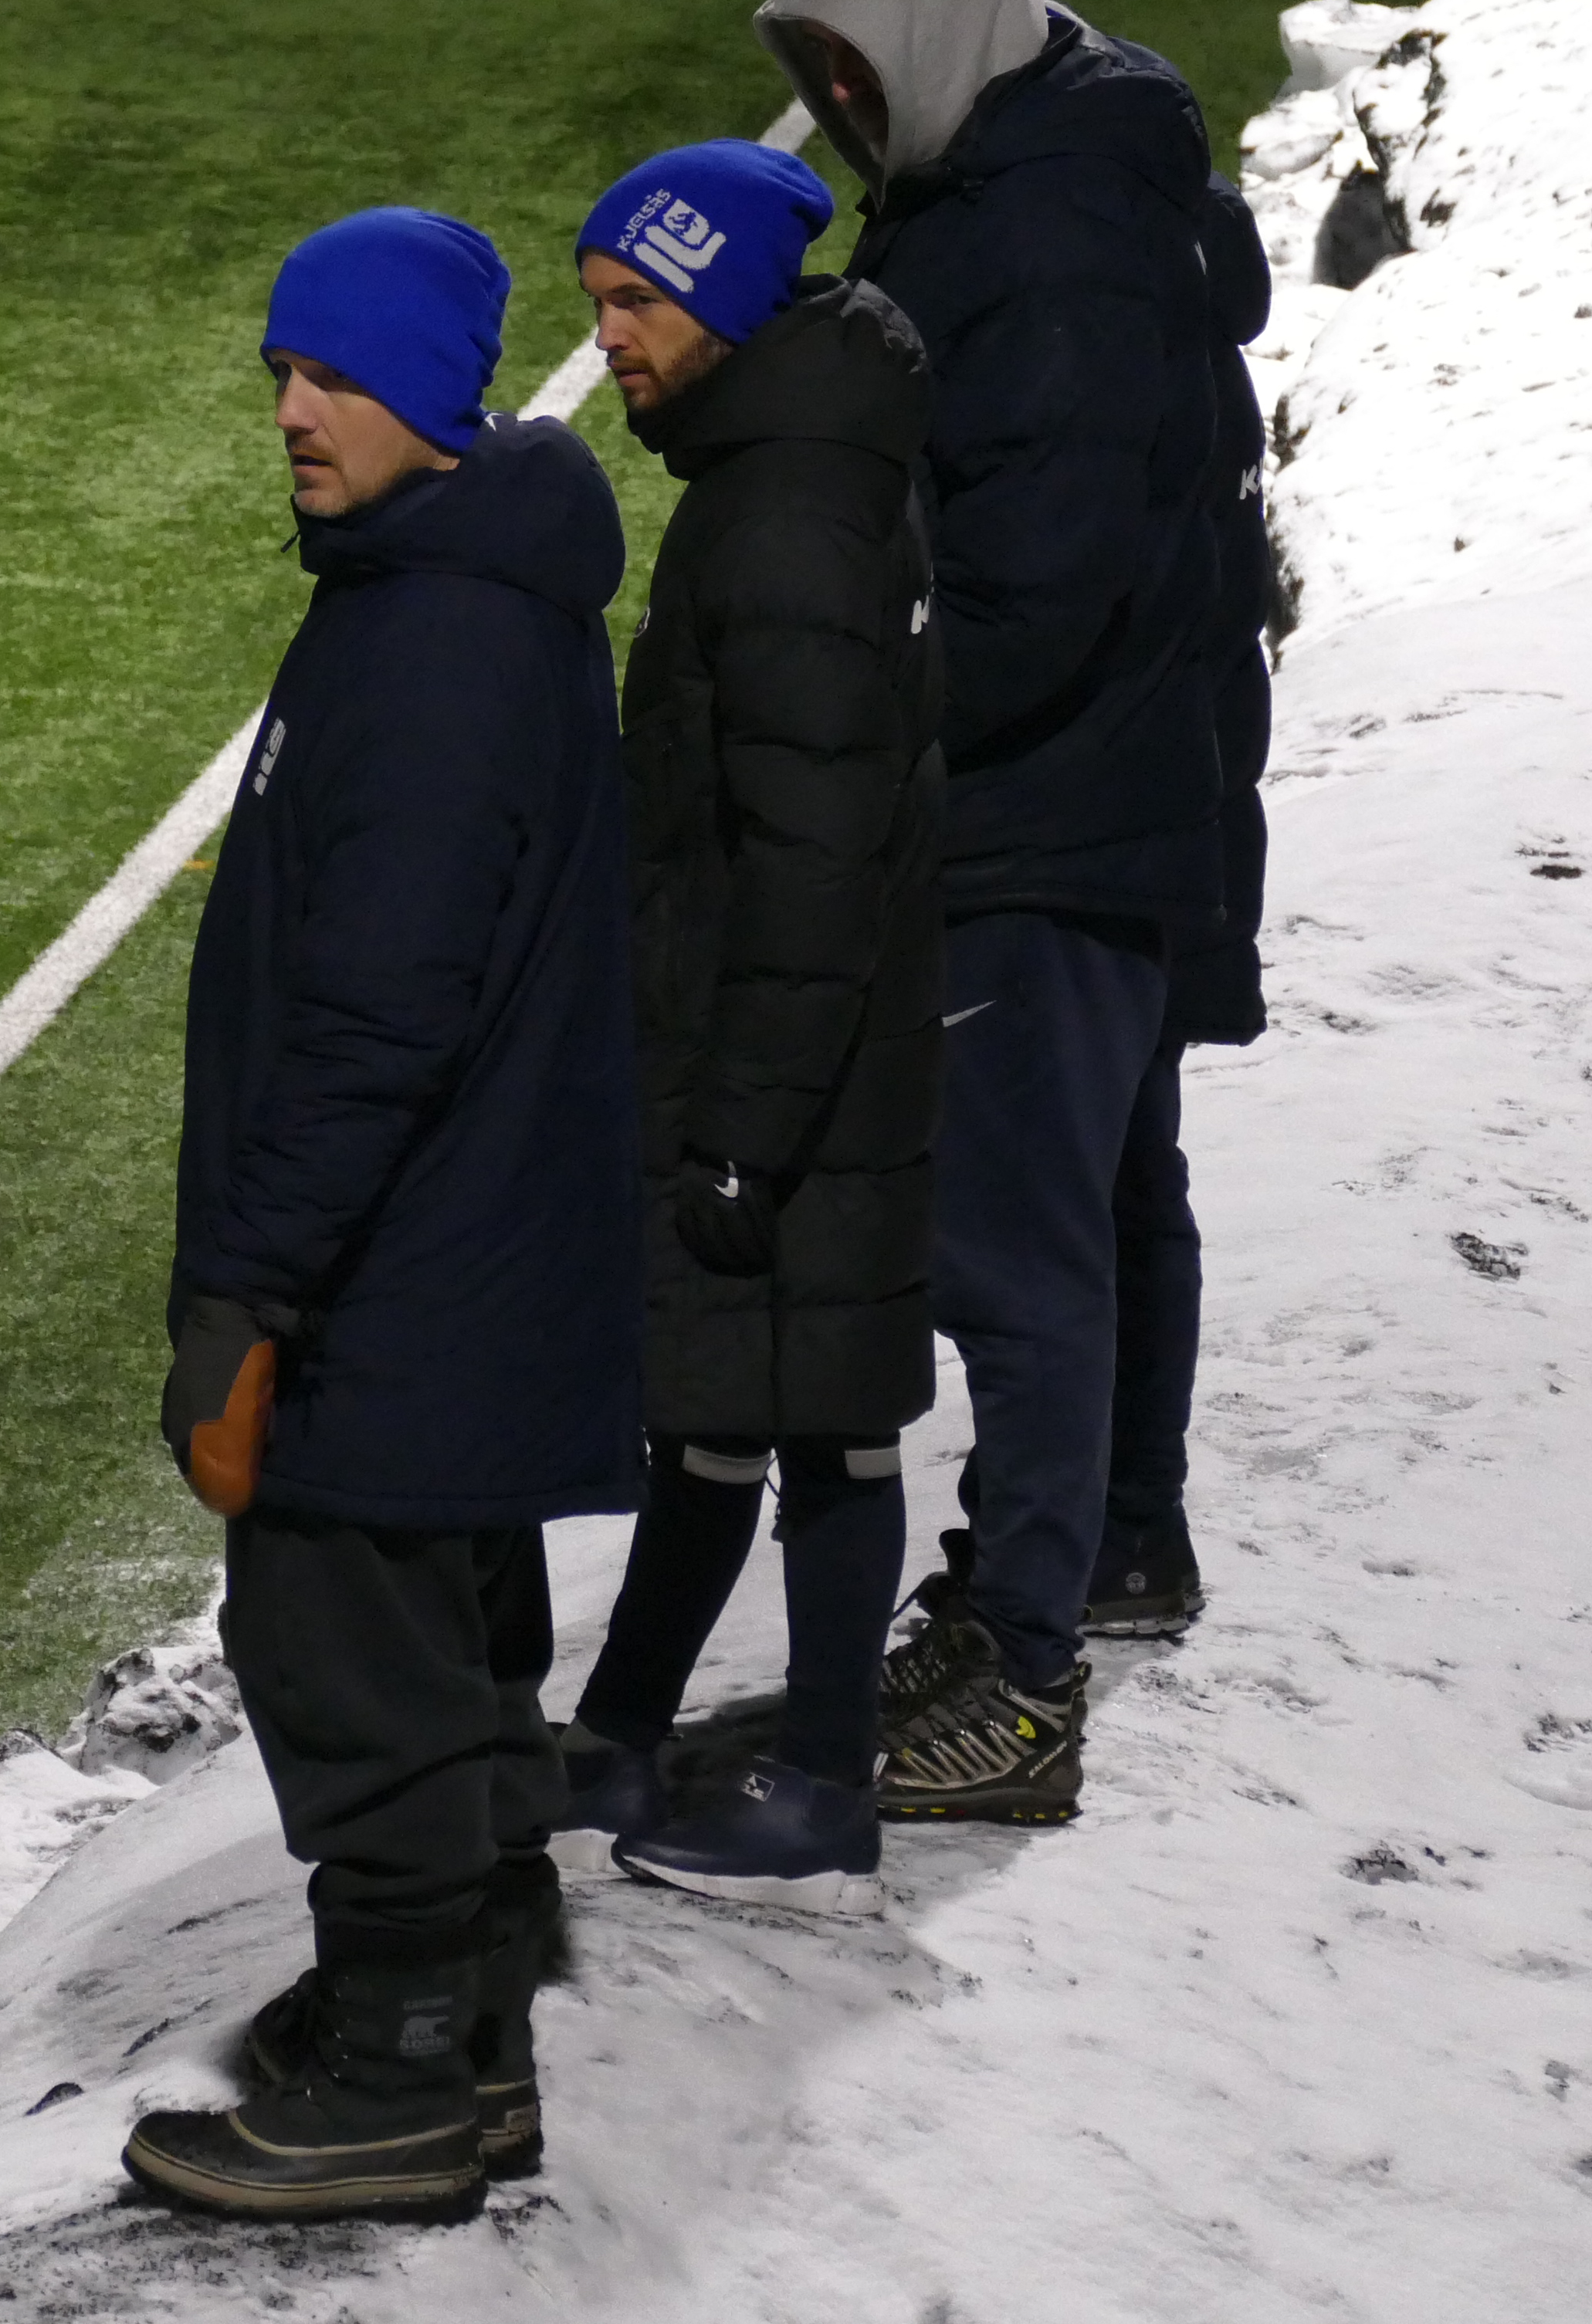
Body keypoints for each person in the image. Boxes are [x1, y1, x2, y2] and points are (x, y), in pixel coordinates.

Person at [124, 208, 639, 2224]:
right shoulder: (449, 589)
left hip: (398, 1268)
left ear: (433, 397)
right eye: (279, 372)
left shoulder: (431, 643)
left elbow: (374, 1018)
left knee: (351, 1650)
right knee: (452, 1639)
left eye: (331, 377)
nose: (290, 412)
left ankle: (409, 2077)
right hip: (457, 1254)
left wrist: (247, 1289)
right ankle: (461, 2033)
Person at [753, 0, 1276, 1827]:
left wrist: (854, 693)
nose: (846, 115)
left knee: (1021, 1248)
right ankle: (1115, 1547)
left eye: (857, 73)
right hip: (1147, 784)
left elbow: (1028, 582)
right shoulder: (1080, 174)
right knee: (1119, 1190)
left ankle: (1020, 1668)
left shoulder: (1042, 241)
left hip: (1047, 808)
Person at [547, 139, 943, 1917]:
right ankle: (625, 1726)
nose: (612, 341)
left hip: (796, 1072)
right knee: (721, 1398)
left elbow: (815, 850)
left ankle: (826, 1784)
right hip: (763, 1054)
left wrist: (742, 1128)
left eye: (637, 304)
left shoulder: (781, 515)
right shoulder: (777, 474)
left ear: (715, 304)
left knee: (825, 1417)